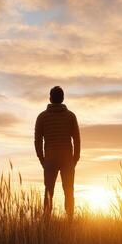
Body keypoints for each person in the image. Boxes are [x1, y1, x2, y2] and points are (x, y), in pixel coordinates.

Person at [34, 86, 80, 218]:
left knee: (49, 191)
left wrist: (42, 159)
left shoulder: (42, 117)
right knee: (69, 191)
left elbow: (37, 141)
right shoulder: (71, 116)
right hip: (67, 159)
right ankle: (70, 219)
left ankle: (46, 221)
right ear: (63, 98)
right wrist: (75, 158)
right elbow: (77, 139)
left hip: (50, 159)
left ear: (50, 98)